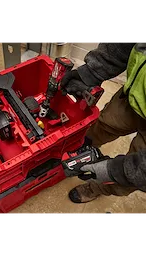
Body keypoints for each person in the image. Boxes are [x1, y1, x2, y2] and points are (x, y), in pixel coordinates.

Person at [61, 40, 146, 203]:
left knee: (127, 178)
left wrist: (119, 171)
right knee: (105, 124)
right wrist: (93, 71)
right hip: (134, 96)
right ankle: (83, 150)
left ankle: (96, 188)